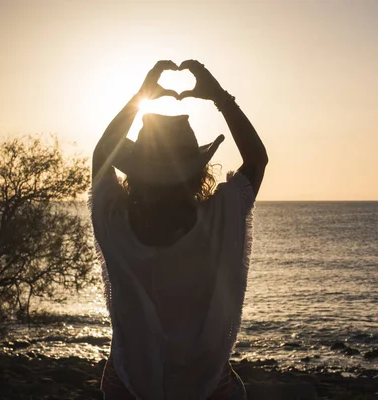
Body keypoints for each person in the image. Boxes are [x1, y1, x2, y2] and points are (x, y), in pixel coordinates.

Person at [90, 60, 268, 399]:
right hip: (205, 384)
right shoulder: (220, 217)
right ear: (197, 173)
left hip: (130, 382)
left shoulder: (115, 221)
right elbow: (257, 159)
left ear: (135, 172)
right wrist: (219, 97)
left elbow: (101, 155)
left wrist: (140, 97)